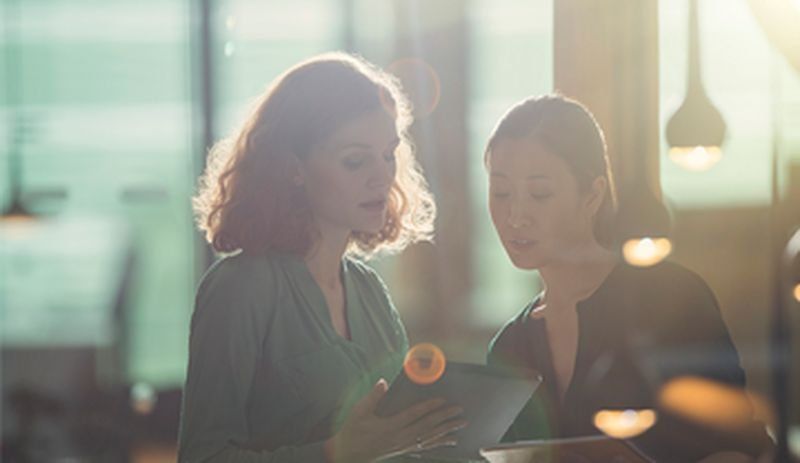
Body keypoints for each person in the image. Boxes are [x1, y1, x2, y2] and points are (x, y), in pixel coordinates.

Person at [179, 52, 466, 463]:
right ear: (294, 168)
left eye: (388, 155)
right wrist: (335, 454)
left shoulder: (368, 290)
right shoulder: (239, 288)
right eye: (355, 160)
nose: (382, 176)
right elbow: (201, 458)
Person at [483, 94, 772, 462]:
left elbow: (735, 448)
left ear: (593, 194)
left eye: (540, 193)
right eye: (501, 192)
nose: (516, 215)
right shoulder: (509, 347)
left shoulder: (672, 299)